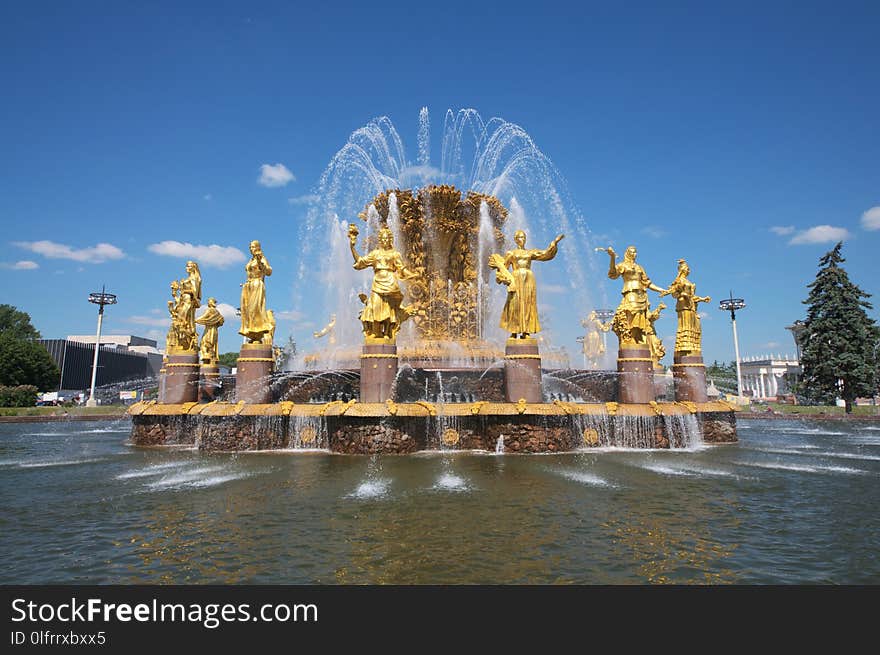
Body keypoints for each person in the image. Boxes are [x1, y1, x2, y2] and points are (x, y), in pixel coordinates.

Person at [350, 225, 417, 341]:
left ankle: (387, 332)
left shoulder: (395, 254)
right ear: (380, 240)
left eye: (387, 239)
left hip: (391, 282)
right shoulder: (375, 254)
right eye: (383, 239)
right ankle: (376, 333)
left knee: (389, 308)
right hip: (377, 282)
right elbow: (360, 262)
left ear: (390, 240)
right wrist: (352, 247)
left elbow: (402, 268)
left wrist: (411, 275)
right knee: (375, 306)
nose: (385, 241)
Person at [492, 230, 564, 339]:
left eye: (524, 237)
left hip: (529, 280)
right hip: (515, 280)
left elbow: (545, 254)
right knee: (514, 304)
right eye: (520, 237)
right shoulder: (511, 253)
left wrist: (554, 243)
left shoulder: (529, 253)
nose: (523, 239)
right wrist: (502, 278)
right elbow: (503, 268)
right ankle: (513, 331)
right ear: (516, 239)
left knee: (528, 304)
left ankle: (526, 331)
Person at [605, 245, 666, 346]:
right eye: (632, 252)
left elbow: (647, 283)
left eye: (635, 252)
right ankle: (629, 338)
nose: (634, 254)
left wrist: (661, 290)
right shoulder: (623, 265)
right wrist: (612, 257)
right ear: (627, 253)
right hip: (630, 292)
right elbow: (613, 274)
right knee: (631, 312)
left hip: (641, 295)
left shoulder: (639, 267)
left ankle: (637, 339)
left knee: (641, 316)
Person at [661, 258, 710, 354]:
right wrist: (666, 292)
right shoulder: (680, 281)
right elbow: (673, 292)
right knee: (685, 324)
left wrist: (703, 299)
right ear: (683, 269)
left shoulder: (688, 281)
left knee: (693, 325)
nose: (689, 270)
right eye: (687, 268)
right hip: (683, 305)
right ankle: (684, 346)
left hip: (691, 305)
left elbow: (692, 297)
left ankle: (692, 345)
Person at [239, 240, 273, 343]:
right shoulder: (250, 260)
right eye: (250, 247)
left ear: (258, 247)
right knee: (248, 311)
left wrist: (260, 262)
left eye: (253, 247)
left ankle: (258, 332)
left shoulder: (261, 258)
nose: (251, 249)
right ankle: (252, 334)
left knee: (256, 309)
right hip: (248, 286)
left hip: (257, 284)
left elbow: (269, 272)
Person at [195, 297, 225, 365]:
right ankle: (212, 356)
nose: (208, 302)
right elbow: (221, 321)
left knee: (204, 342)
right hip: (215, 330)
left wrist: (195, 320)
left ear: (211, 302)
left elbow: (204, 317)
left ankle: (206, 355)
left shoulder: (209, 310)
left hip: (209, 329)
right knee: (212, 343)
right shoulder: (217, 312)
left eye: (208, 301)